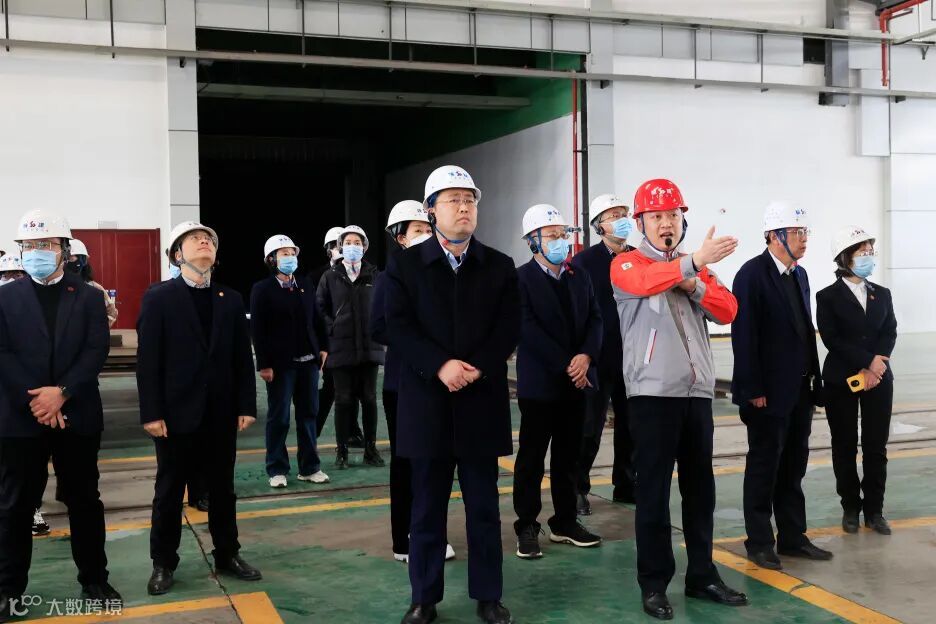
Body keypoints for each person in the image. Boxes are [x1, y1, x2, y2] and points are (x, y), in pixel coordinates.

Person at [386, 165, 520, 624]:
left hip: (481, 403)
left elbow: (510, 326)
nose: (464, 208)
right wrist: (439, 365)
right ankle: (424, 598)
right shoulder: (405, 266)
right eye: (453, 200)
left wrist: (478, 365)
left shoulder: (499, 266)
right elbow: (392, 324)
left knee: (484, 509)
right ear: (431, 210)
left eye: (470, 200)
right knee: (426, 509)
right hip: (428, 404)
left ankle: (489, 596)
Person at [611, 179, 748, 620]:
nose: (666, 223)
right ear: (641, 223)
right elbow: (646, 281)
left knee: (700, 490)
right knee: (652, 493)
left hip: (696, 394)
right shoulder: (627, 264)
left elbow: (729, 309)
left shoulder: (694, 269)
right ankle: (654, 584)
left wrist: (696, 284)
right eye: (656, 216)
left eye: (672, 215)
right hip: (652, 395)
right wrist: (692, 264)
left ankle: (702, 574)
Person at [0, 210, 120, 622]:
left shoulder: (88, 296)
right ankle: (8, 589)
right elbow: (3, 354)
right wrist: (38, 400)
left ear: (64, 251)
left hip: (77, 413)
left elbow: (95, 350)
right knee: (15, 505)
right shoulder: (5, 297)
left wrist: (62, 393)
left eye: (47, 244)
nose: (37, 251)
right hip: (21, 417)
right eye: (30, 245)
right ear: (21, 250)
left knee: (84, 500)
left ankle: (95, 579)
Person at [137, 221, 261, 596]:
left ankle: (227, 553)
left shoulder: (230, 299)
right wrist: (151, 412)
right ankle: (163, 562)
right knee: (169, 490)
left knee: (223, 489)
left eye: (208, 239)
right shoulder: (159, 298)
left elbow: (242, 358)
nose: (204, 241)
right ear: (178, 254)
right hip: (175, 415)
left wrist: (246, 404)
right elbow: (148, 360)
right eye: (195, 239)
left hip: (220, 412)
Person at [732, 201, 832, 571]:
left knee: (793, 466)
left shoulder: (799, 275)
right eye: (797, 232)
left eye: (805, 232)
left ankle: (793, 536)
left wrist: (815, 380)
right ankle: (759, 542)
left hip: (799, 390)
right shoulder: (751, 275)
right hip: (767, 394)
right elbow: (744, 336)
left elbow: (805, 331)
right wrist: (753, 387)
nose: (804, 239)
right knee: (764, 466)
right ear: (775, 236)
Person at [512, 204, 602, 560]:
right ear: (532, 242)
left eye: (563, 234)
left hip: (576, 383)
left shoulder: (579, 276)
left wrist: (587, 356)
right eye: (552, 235)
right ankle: (526, 525)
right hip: (540, 385)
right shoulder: (520, 279)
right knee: (532, 458)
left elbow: (595, 319)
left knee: (568, 457)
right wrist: (569, 363)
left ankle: (564, 521)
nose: (560, 241)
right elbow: (526, 328)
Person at [371, 201, 455, 562]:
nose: (424, 235)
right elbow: (379, 326)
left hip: (442, 381)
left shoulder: (445, 272)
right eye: (417, 230)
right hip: (403, 384)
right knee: (407, 462)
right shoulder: (391, 276)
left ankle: (433, 533)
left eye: (427, 229)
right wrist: (420, 346)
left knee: (438, 462)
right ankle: (403, 540)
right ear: (400, 237)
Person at [817, 227, 896, 536]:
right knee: (844, 445)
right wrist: (867, 362)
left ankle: (875, 511)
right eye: (862, 253)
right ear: (845, 258)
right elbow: (832, 339)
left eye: (870, 253)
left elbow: (889, 331)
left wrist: (877, 366)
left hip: (879, 378)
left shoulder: (882, 294)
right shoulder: (827, 297)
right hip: (842, 379)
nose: (869, 258)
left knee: (876, 446)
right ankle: (851, 507)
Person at [570, 193, 636, 516]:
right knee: (589, 427)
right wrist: (583, 354)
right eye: (613, 216)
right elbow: (576, 312)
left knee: (631, 426)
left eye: (624, 213)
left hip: (633, 357)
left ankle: (626, 483)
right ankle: (577, 488)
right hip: (597, 357)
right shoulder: (584, 262)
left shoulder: (639, 258)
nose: (621, 220)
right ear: (599, 226)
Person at [251, 234, 330, 489]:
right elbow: (258, 329)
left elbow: (316, 319)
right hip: (280, 365)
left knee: (308, 415)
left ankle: (310, 467)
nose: (290, 258)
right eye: (284, 254)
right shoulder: (262, 289)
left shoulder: (305, 284)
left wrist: (323, 348)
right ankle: (277, 468)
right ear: (271, 260)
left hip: (308, 362)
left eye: (292, 253)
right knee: (280, 417)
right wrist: (264, 364)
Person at [316, 226, 385, 469]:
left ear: (364, 247)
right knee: (343, 399)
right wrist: (333, 327)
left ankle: (371, 450)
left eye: (357, 242)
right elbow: (319, 308)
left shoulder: (375, 275)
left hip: (369, 347)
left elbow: (384, 305)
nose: (353, 246)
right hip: (341, 347)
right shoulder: (330, 276)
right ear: (340, 247)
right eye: (348, 242)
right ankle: (342, 452)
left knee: (369, 399)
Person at [311, 227, 364, 446]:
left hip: (354, 343)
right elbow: (317, 311)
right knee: (331, 388)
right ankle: (313, 431)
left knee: (354, 388)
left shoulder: (360, 272)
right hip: (330, 342)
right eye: (335, 245)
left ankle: (352, 432)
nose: (341, 249)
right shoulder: (318, 276)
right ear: (328, 249)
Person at [67, 239, 118, 328]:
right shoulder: (54, 286)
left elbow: (112, 312)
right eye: (66, 258)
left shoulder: (95, 289)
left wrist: (98, 329)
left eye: (71, 257)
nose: (68, 261)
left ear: (83, 260)